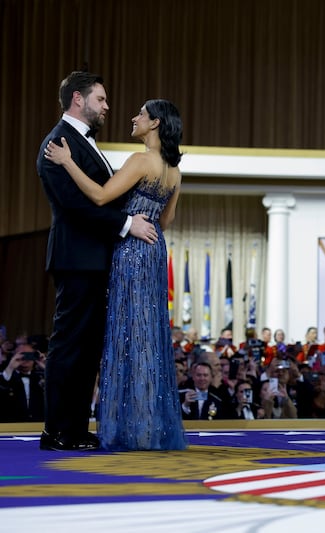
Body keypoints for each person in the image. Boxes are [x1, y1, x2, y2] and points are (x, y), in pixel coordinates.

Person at [45, 97, 187, 450]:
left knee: (128, 334)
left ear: (154, 123)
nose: (133, 117)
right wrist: (145, 219)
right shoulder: (174, 169)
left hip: (131, 252)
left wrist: (67, 161)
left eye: (140, 113)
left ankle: (126, 426)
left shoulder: (140, 161)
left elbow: (98, 195)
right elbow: (166, 221)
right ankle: (149, 426)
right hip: (154, 249)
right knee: (148, 335)